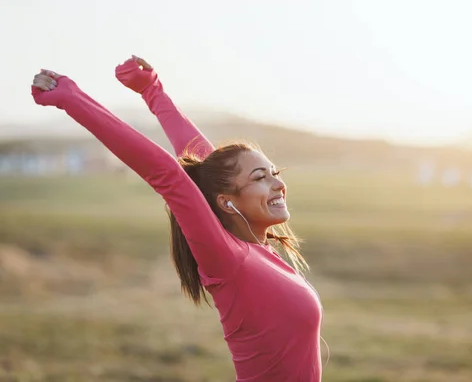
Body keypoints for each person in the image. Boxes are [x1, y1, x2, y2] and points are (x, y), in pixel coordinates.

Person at [30, 56, 324, 381]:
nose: (279, 184)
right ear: (226, 203)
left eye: (274, 173)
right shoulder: (228, 260)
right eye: (261, 177)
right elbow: (168, 173)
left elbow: (205, 169)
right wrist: (72, 99)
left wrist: (152, 90)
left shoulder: (255, 251)